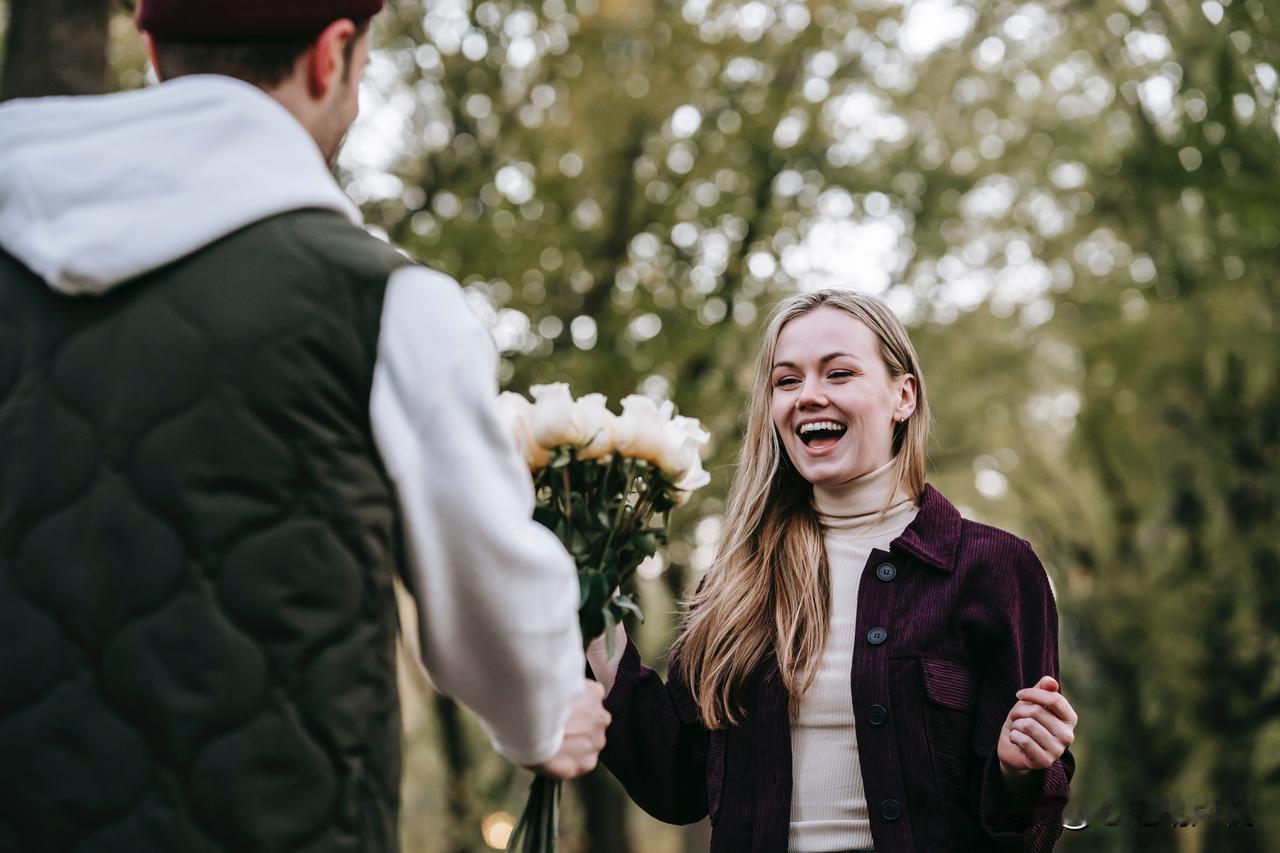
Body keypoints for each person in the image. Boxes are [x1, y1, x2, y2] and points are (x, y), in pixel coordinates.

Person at [0, 2, 608, 850]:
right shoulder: (385, 304)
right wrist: (547, 716)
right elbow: (489, 604)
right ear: (334, 56)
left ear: (148, 49)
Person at [587, 289, 1077, 853]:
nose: (809, 396)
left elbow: (1031, 832)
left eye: (838, 373)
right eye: (786, 381)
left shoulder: (995, 570)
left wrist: (1020, 771)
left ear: (903, 395)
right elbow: (674, 782)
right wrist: (591, 606)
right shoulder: (734, 583)